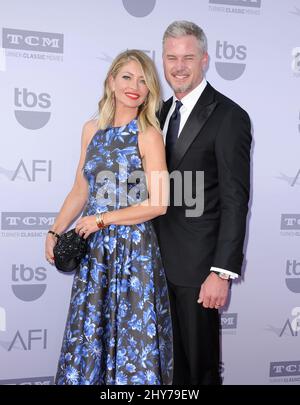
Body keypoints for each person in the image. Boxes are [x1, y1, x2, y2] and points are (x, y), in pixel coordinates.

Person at [45, 49, 173, 385]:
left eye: (144, 80)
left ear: (150, 91)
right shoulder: (91, 129)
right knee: (93, 337)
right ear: (111, 82)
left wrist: (103, 219)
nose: (135, 86)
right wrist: (55, 230)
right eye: (128, 77)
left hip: (133, 254)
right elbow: (79, 190)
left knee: (132, 341)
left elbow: (159, 203)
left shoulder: (148, 135)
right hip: (95, 254)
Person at [153, 21, 252, 385]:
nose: (179, 66)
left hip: (199, 272)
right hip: (153, 267)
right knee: (168, 369)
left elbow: (235, 199)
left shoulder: (229, 116)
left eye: (188, 58)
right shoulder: (156, 114)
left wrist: (220, 272)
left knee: (200, 371)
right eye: (171, 58)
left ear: (205, 60)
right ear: (162, 60)